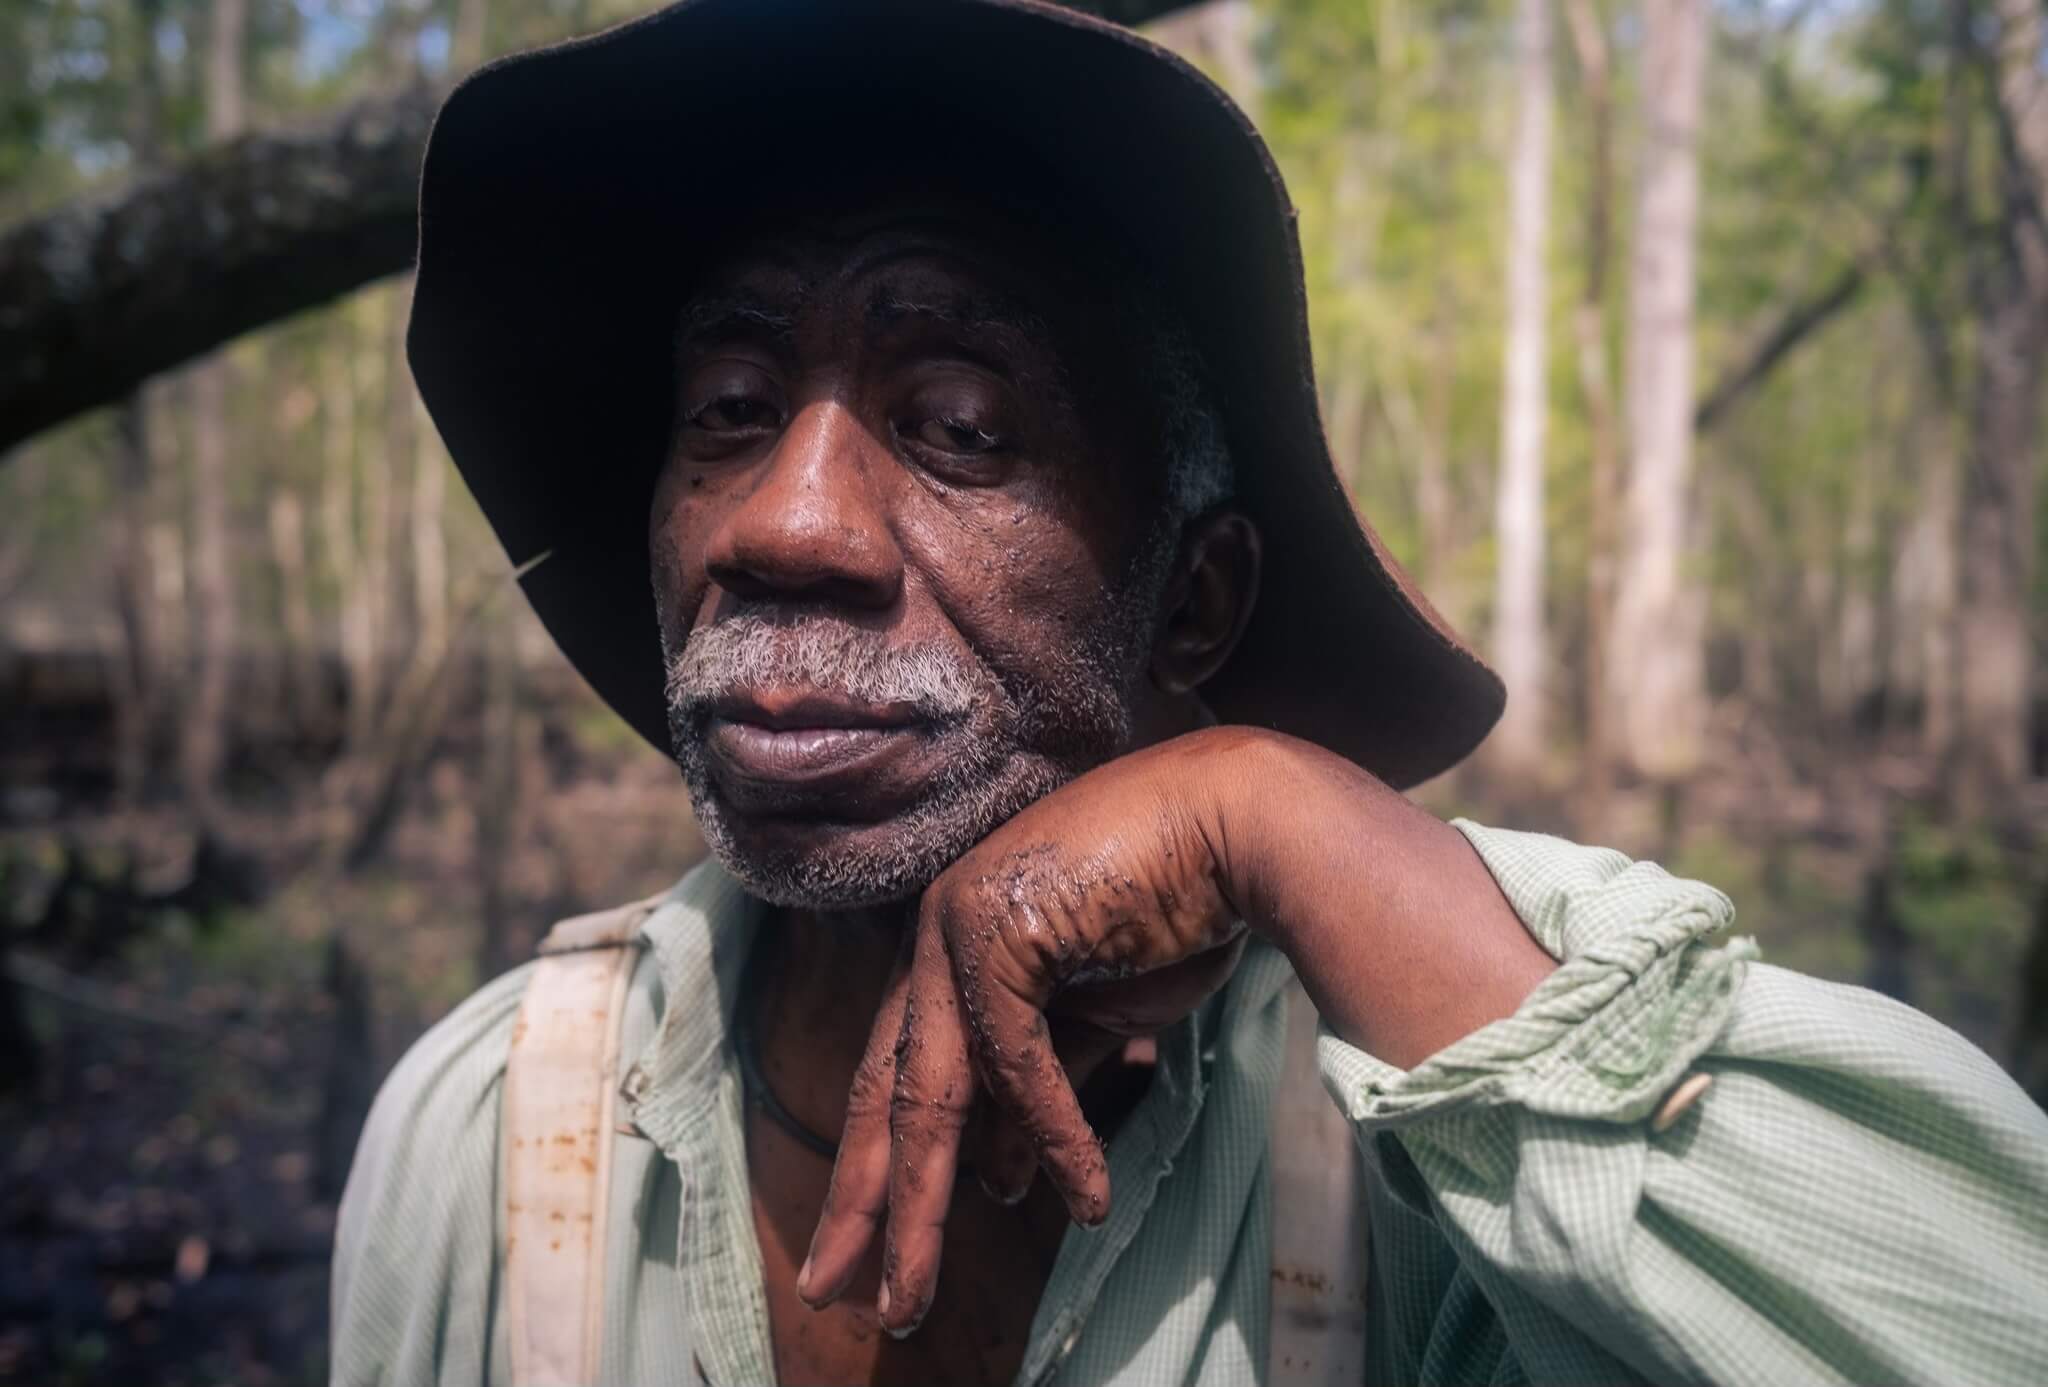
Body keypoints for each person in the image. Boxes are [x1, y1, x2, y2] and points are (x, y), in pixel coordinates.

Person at [331, 1, 2048, 1383]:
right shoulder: (491, 1131)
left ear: (1197, 601)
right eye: (724, 409)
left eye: (957, 429)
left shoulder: (1412, 1158)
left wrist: (1278, 806)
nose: (785, 521)